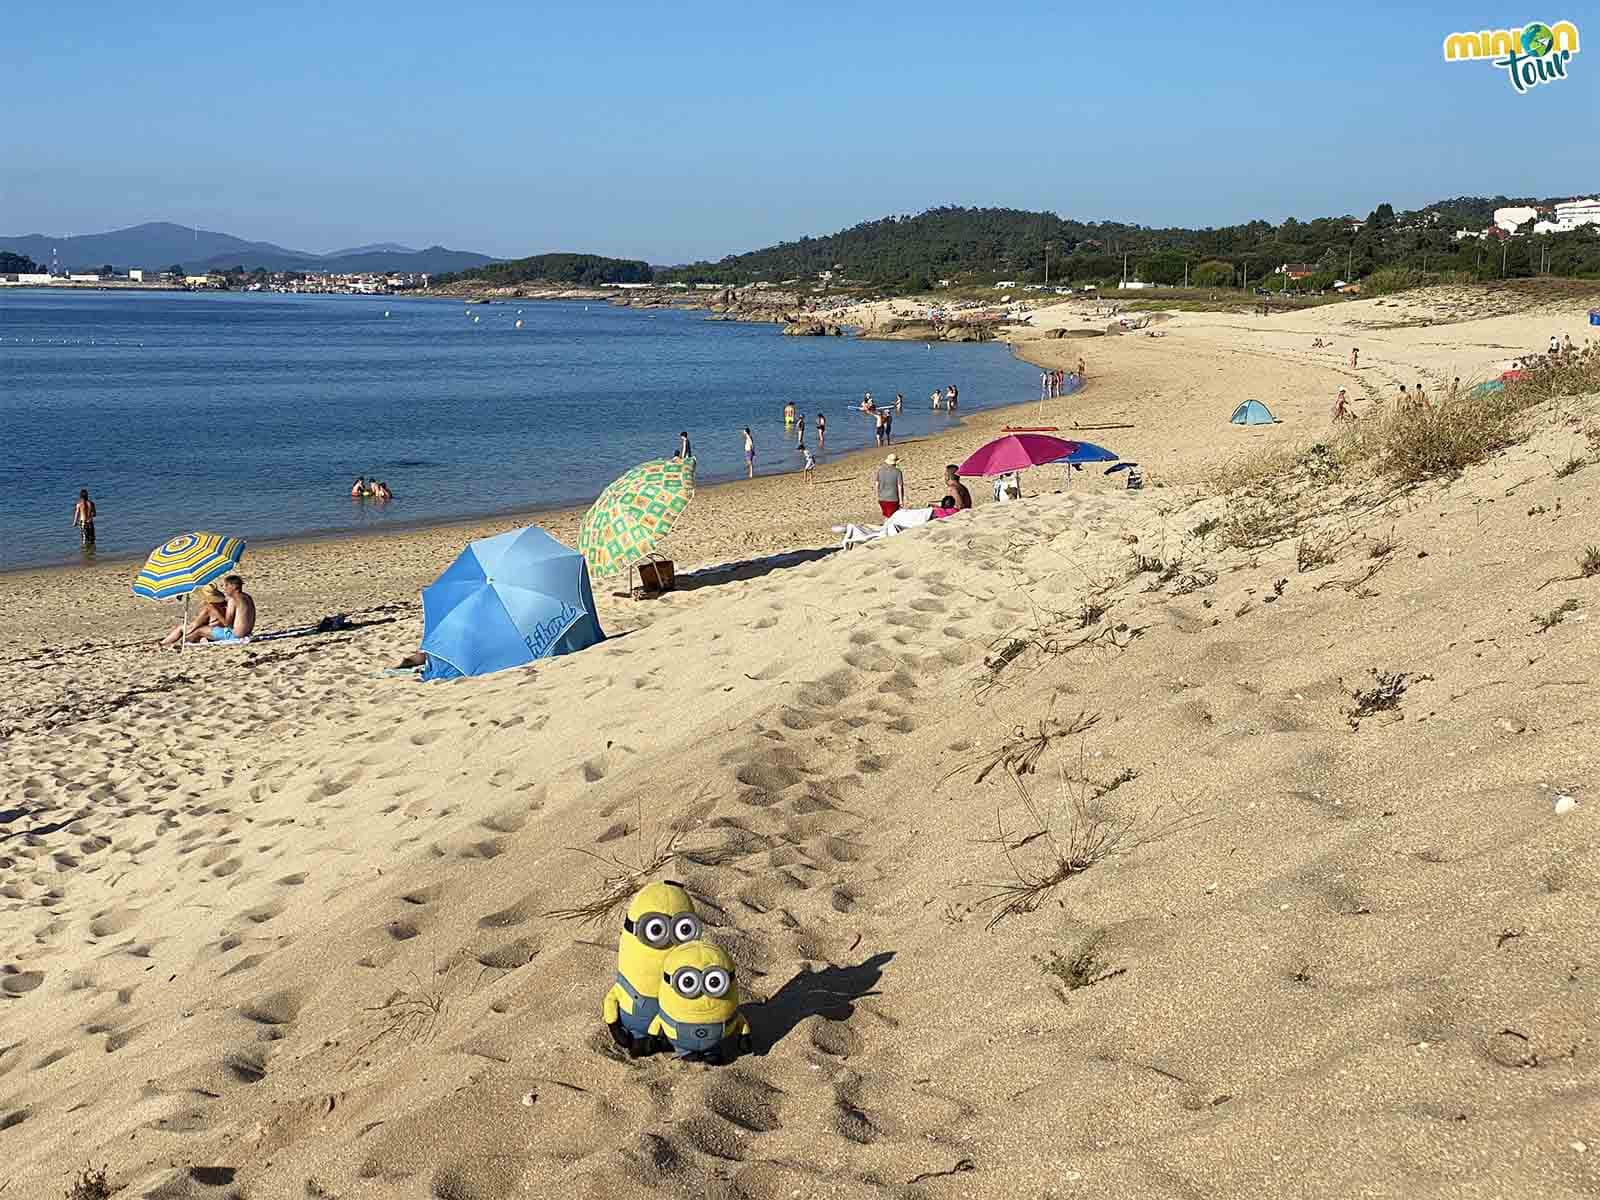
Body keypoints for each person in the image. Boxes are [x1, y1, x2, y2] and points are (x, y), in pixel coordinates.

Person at [161, 574, 255, 647]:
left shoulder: (233, 599)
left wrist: (213, 610)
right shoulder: (247, 597)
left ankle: (182, 643)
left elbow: (227, 623)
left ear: (233, 586)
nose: (224, 589)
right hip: (247, 632)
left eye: (226, 585)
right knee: (202, 630)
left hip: (235, 635)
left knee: (199, 631)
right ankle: (179, 641)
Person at [876, 454, 905, 518]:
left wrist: (878, 496)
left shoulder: (880, 470)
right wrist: (901, 501)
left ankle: (885, 527)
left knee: (887, 517)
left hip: (882, 499)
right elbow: (900, 487)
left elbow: (877, 484)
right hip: (892, 499)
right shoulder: (898, 472)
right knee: (892, 518)